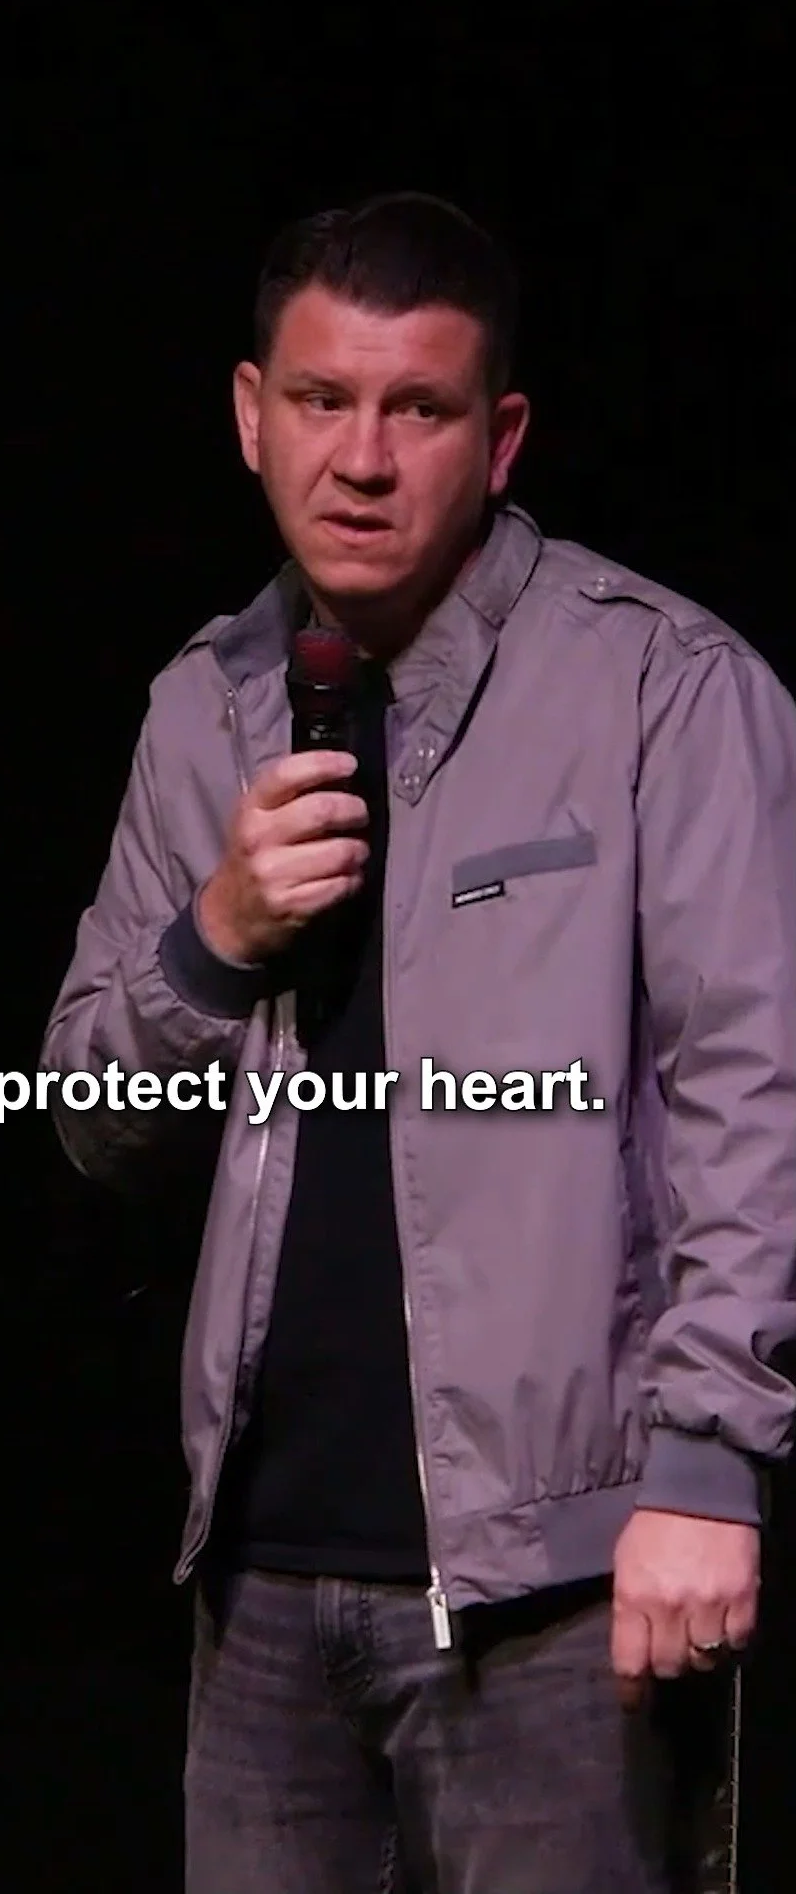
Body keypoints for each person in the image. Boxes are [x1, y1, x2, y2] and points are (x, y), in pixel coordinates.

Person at [40, 192, 796, 1891]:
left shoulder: (664, 688)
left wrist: (708, 1464)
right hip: (260, 1585)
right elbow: (89, 1110)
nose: (364, 460)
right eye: (322, 401)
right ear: (252, 416)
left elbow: (756, 1097)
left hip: (559, 1589)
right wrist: (214, 940)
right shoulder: (202, 708)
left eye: (420, 409)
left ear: (500, 437)